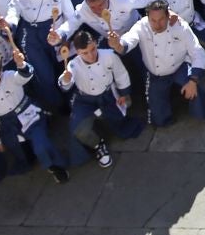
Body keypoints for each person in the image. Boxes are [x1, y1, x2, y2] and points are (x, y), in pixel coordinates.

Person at [0, 49, 68, 184]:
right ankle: (27, 159)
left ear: (1, 70)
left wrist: (21, 63)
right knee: (21, 153)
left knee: (40, 146)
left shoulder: (10, 77)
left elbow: (25, 75)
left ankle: (55, 167)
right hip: (8, 125)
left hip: (27, 116)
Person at [55, 26, 141, 167]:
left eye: (93, 49)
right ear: (77, 52)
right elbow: (65, 84)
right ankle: (97, 145)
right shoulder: (73, 65)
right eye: (84, 53)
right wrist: (65, 79)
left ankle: (107, 120)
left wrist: (124, 94)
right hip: (85, 100)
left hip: (107, 94)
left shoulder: (109, 55)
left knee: (123, 110)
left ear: (95, 43)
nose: (90, 55)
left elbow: (121, 74)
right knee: (78, 128)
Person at [118, 0, 205, 125]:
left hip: (180, 67)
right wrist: (118, 44)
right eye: (153, 20)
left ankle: (201, 109)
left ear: (168, 16)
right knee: (158, 117)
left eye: (161, 19)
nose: (158, 24)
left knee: (196, 94)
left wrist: (193, 80)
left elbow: (197, 51)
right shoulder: (141, 26)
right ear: (148, 18)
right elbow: (129, 39)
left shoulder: (180, 26)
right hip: (156, 75)